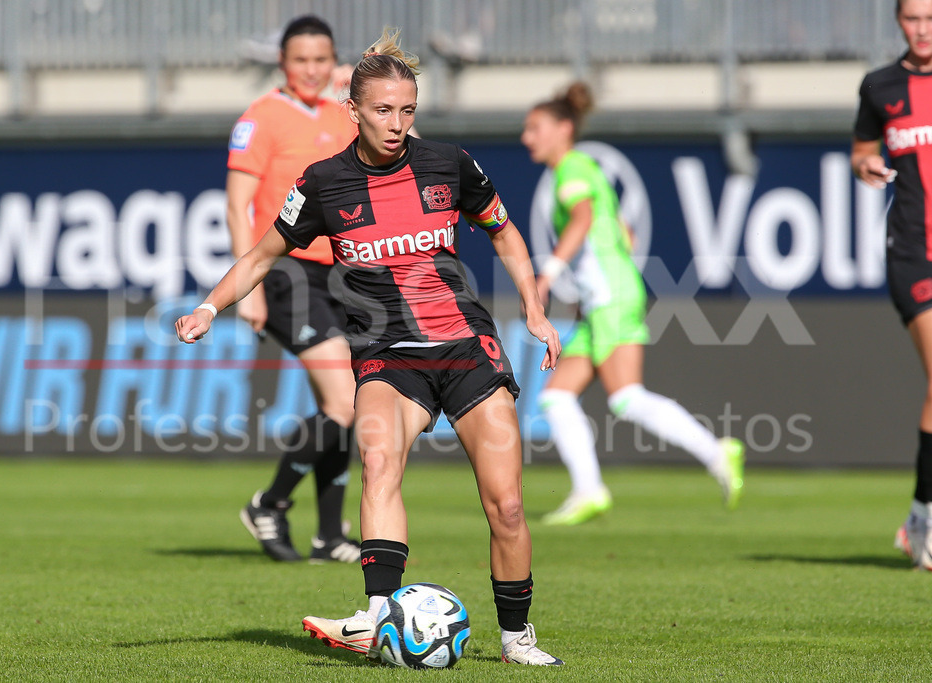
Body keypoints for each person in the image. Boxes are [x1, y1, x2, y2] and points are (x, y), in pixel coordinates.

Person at [178, 28, 565, 667]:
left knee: (509, 505)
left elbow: (503, 231)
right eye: (383, 110)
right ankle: (381, 615)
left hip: (466, 349)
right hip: (388, 354)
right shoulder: (324, 184)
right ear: (352, 109)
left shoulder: (448, 164)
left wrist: (533, 307)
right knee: (379, 459)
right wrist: (208, 307)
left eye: (407, 110)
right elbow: (263, 253)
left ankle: (517, 638)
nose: (396, 123)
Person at [521, 82, 745, 525]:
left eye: (535, 128)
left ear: (564, 129)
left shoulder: (571, 170)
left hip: (611, 297)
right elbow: (626, 234)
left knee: (626, 398)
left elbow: (584, 218)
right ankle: (588, 490)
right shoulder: (584, 168)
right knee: (557, 398)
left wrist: (547, 274)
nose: (527, 137)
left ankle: (716, 450)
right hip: (603, 298)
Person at [226, 15, 360, 563]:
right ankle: (270, 502)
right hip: (285, 271)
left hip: (344, 274)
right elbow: (237, 206)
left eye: (321, 60)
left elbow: (412, 155)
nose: (312, 70)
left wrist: (364, 91)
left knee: (346, 408)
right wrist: (247, 286)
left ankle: (329, 535)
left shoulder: (345, 112)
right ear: (283, 63)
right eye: (301, 60)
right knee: (345, 403)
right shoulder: (260, 118)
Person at [854, 0, 932, 571]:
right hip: (913, 253)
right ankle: (925, 520)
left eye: (931, 17)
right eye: (912, 18)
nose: (922, 28)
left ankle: (918, 518)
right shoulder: (880, 86)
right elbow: (862, 151)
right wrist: (867, 167)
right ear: (898, 22)